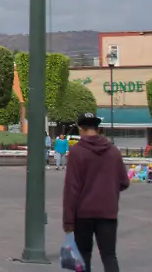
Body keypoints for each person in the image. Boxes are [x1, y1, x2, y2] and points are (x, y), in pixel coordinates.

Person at [63, 112, 129, 272]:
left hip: (83, 213)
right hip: (108, 212)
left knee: (84, 255)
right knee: (109, 255)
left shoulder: (77, 152)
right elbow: (124, 182)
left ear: (81, 128)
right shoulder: (113, 151)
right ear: (97, 128)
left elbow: (72, 188)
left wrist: (68, 221)